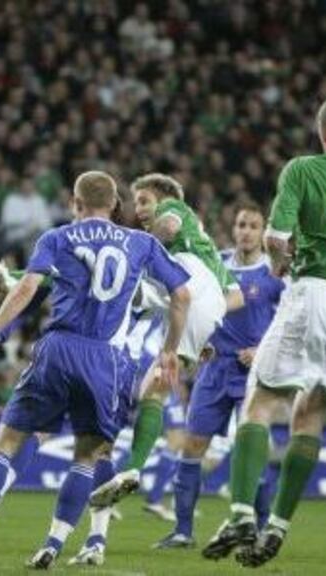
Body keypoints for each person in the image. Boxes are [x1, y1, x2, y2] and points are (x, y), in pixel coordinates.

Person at [0, 171, 191, 569]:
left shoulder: (58, 237)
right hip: (106, 360)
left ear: (76, 203)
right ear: (116, 205)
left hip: (59, 347)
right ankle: (56, 543)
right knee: (87, 456)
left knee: (9, 440)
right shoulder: (143, 243)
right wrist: (171, 350)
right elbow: (183, 294)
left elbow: (26, 288)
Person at [201, 95, 326, 567]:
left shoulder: (304, 169)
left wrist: (280, 264)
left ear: (323, 132)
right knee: (311, 411)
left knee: (260, 400)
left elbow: (276, 238)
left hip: (315, 291)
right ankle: (277, 525)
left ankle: (240, 514)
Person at [90, 173, 243, 508]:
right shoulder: (211, 250)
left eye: (145, 200)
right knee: (155, 389)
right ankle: (132, 470)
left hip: (185, 277)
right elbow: (236, 298)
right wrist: (200, 328)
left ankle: (22, 281)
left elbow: (169, 227)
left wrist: (139, 246)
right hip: (211, 301)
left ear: (164, 196)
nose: (139, 209)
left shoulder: (174, 208)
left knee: (108, 275)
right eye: (137, 202)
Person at [153, 202, 286, 549]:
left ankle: (255, 529)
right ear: (234, 228)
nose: (246, 231)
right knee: (193, 446)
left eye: (253, 226)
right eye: (241, 224)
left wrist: (262, 350)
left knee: (249, 448)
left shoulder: (273, 274)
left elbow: (288, 323)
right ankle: (183, 531)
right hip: (213, 369)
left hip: (252, 372)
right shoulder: (215, 265)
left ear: (262, 232)